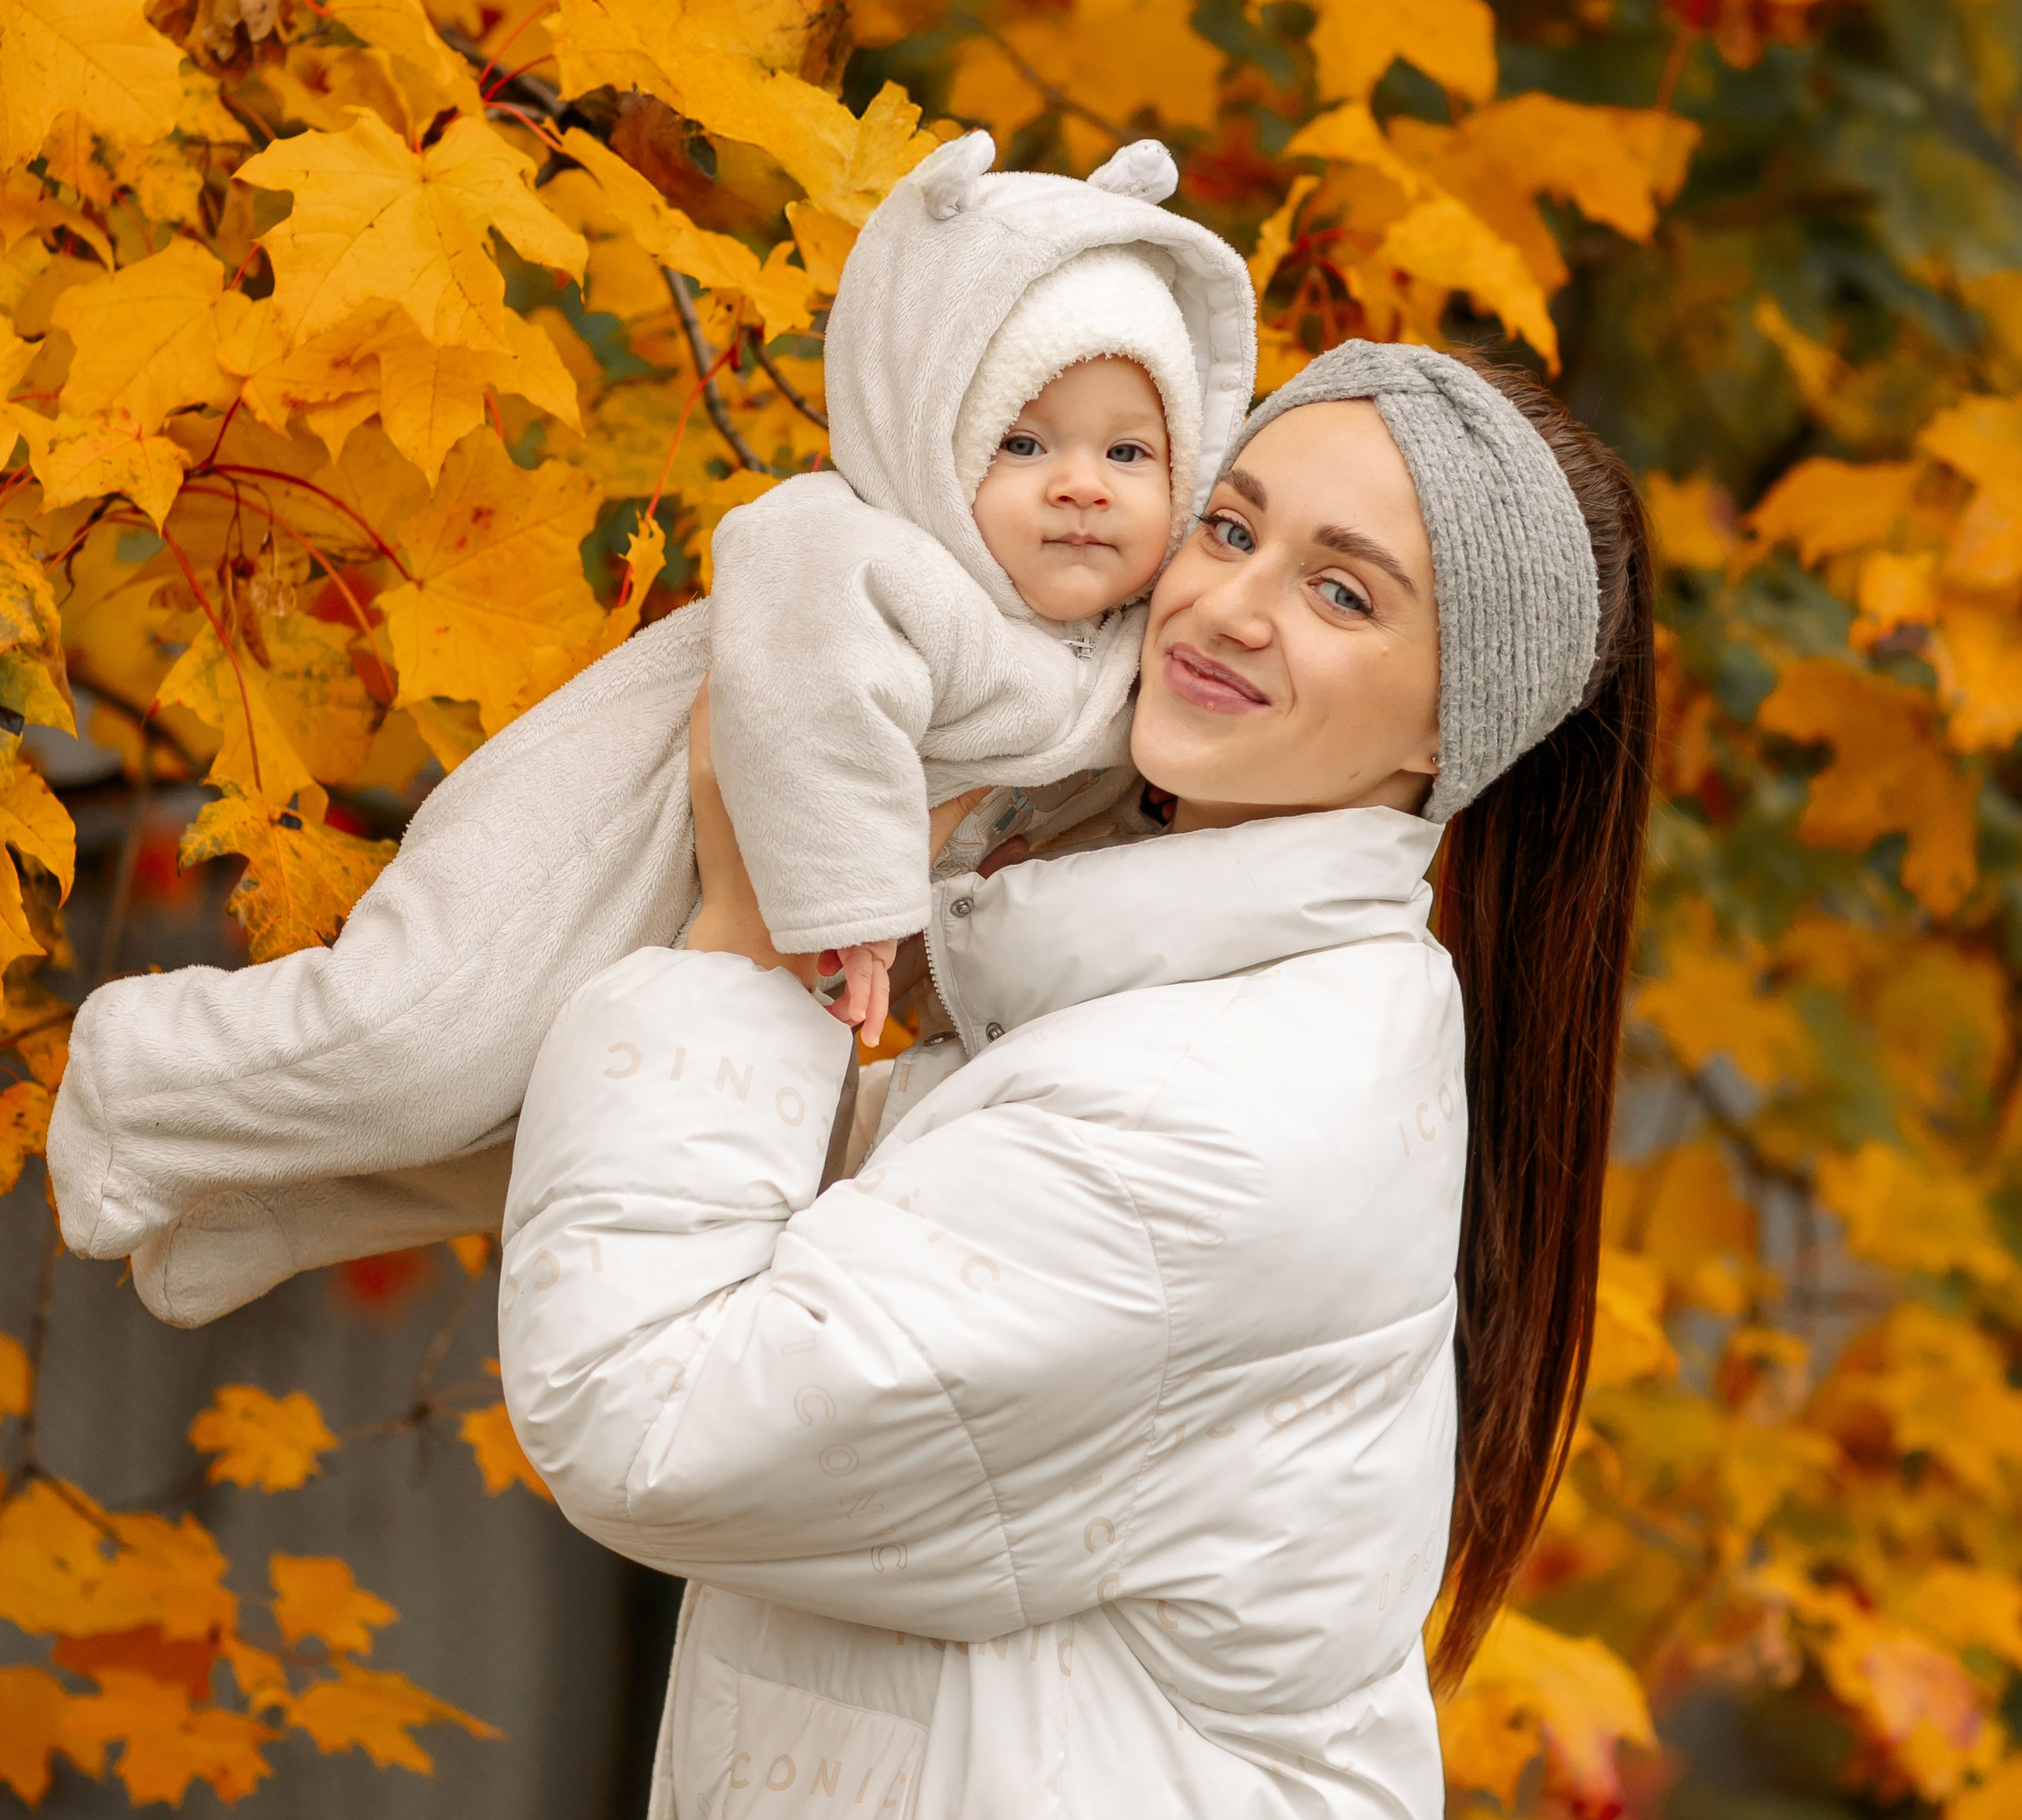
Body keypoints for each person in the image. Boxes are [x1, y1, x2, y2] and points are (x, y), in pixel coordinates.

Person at [496, 341, 1657, 1820]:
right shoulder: (1153, 1003)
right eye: (1233, 525)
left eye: (1344, 590)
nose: (1226, 604)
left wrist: (740, 938)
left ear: (1446, 736)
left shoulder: (1219, 1111)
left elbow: (657, 1413)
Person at [46, 130, 1252, 1327]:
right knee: (422, 1043)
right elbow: (817, 687)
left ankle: (248, 1211)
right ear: (929, 443)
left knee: (544, 1124)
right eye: (1024, 443)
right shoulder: (861, 548)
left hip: (739, 927)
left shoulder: (1118, 667)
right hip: (599, 837)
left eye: (1130, 452)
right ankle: (140, 1075)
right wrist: (856, 900)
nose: (1083, 483)